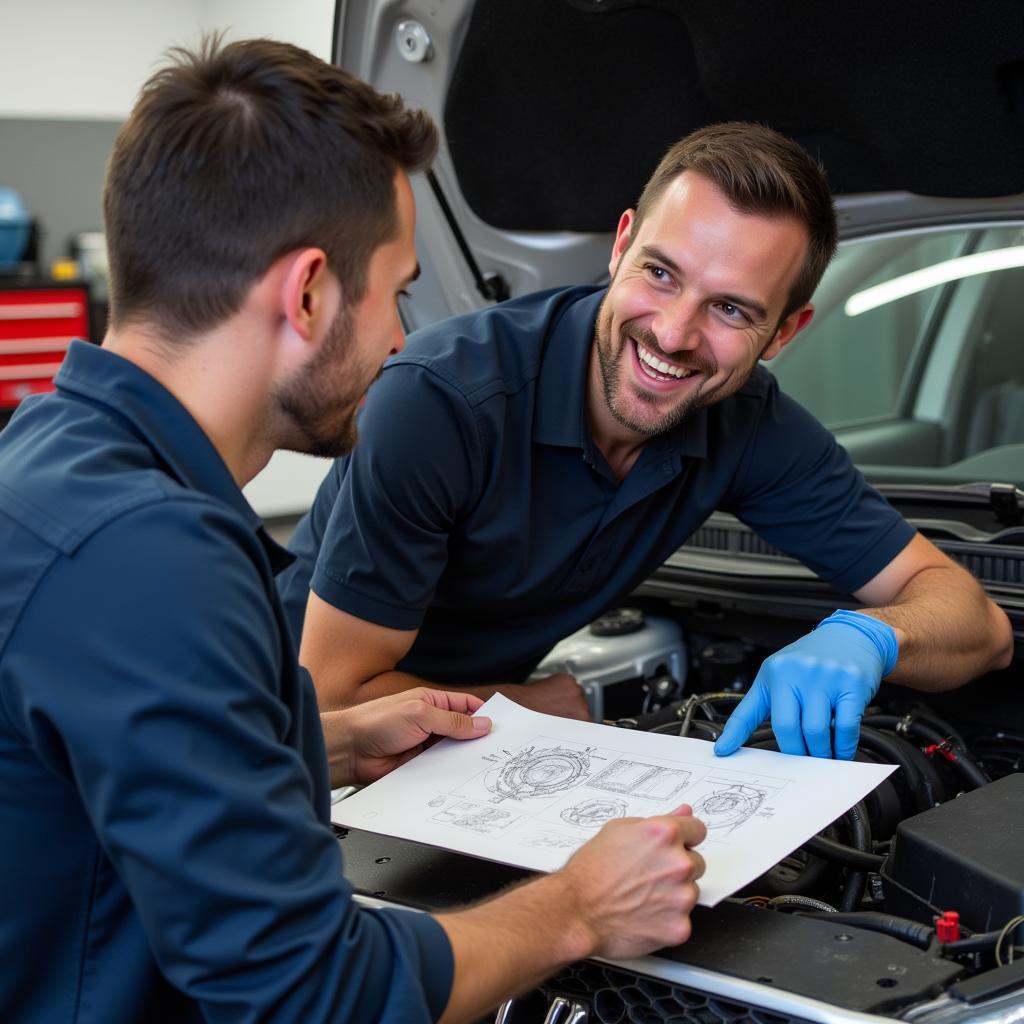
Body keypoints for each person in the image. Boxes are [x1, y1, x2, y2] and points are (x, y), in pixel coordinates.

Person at [0, 38, 707, 1024]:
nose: (403, 340)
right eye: (396, 289)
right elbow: (314, 996)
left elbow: (95, 770)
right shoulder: (148, 557)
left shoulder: (50, 458)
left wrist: (319, 740)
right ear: (307, 293)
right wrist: (581, 907)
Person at [280, 122, 1013, 758]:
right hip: (275, 747)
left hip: (470, 745)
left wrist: (872, 637)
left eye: (730, 308)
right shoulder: (440, 403)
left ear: (785, 333)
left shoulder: (747, 421)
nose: (673, 333)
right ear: (622, 244)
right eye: (661, 273)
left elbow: (979, 626)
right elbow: (336, 704)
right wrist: (539, 707)